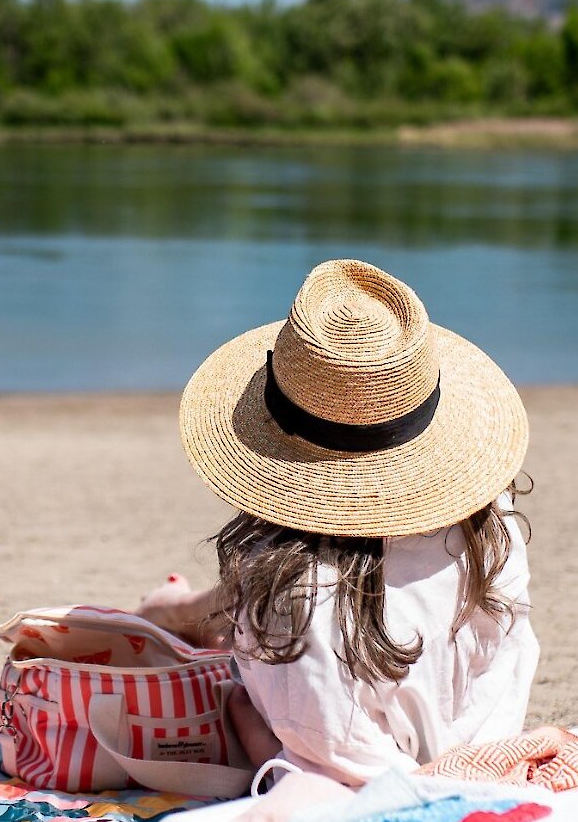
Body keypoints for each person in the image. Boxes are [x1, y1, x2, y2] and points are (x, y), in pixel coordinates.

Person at [136, 259, 534, 787]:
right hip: (482, 758)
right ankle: (175, 609)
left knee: (236, 698)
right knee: (242, 611)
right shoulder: (492, 525)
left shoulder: (297, 591)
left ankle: (168, 612)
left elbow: (330, 756)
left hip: (364, 782)